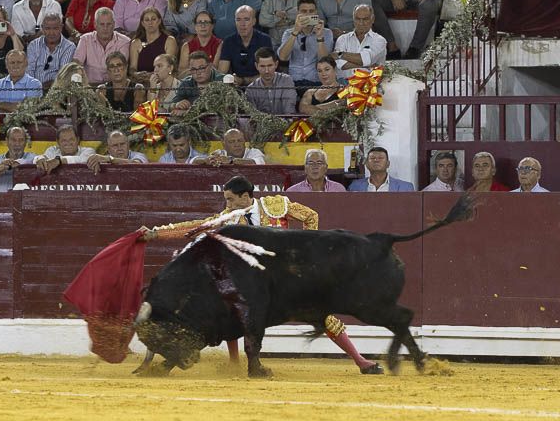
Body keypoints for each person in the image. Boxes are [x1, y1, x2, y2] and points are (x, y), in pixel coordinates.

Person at [140, 173, 384, 375]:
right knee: (229, 305)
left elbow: (311, 216)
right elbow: (194, 227)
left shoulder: (275, 205)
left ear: (246, 197)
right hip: (252, 281)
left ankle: (360, 360)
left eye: (231, 199)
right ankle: (236, 363)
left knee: (322, 313)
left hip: (283, 276)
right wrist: (155, 233)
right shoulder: (228, 217)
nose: (227, 205)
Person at [277, 0, 332, 86]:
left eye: (311, 11)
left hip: (316, 81)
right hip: (293, 82)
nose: (308, 15)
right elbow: (283, 57)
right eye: (304, 11)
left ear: (316, 13)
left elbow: (324, 61)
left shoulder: (326, 33)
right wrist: (295, 32)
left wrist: (319, 38)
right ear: (298, 13)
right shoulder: (288, 33)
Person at [218, 5, 271, 86]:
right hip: (236, 87)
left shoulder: (264, 40)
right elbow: (222, 73)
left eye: (246, 19)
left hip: (260, 86)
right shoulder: (228, 41)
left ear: (254, 21)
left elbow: (268, 73)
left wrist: (244, 80)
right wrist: (231, 79)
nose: (242, 24)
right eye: (238, 20)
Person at [333, 3, 386, 80]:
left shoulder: (379, 40)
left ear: (373, 19)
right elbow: (340, 65)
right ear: (353, 19)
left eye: (365, 19)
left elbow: (366, 59)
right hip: (344, 85)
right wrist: (366, 66)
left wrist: (339, 54)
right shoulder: (342, 39)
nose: (361, 23)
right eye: (358, 19)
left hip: (370, 86)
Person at [26, 12, 75, 88]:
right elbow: (29, 72)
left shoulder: (69, 47)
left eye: (55, 28)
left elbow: (62, 75)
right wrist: (34, 89)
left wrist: (41, 87)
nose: (51, 33)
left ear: (61, 27)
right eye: (47, 28)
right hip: (33, 90)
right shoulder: (33, 45)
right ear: (42, 28)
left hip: (57, 91)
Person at [244, 47, 296, 115]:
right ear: (256, 66)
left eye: (270, 65)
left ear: (276, 64)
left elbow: (289, 113)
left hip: (286, 124)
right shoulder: (250, 90)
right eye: (262, 66)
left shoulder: (286, 81)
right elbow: (253, 118)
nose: (266, 71)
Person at [35, 123, 99, 172]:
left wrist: (59, 161)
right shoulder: (52, 150)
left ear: (78, 140)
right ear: (58, 142)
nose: (68, 143)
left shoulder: (89, 151)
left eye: (71, 139)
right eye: (64, 140)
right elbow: (42, 158)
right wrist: (40, 158)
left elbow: (82, 159)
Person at [349, 146, 415, 191]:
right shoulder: (355, 186)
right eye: (372, 158)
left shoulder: (405, 188)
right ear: (367, 164)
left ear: (388, 164)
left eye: (380, 158)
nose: (376, 160)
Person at [199, 127, 265, 166]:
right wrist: (206, 160)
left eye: (240, 140)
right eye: (232, 142)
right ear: (224, 145)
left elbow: (257, 162)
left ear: (245, 141)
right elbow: (193, 161)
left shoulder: (254, 152)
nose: (237, 144)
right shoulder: (220, 154)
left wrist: (231, 160)